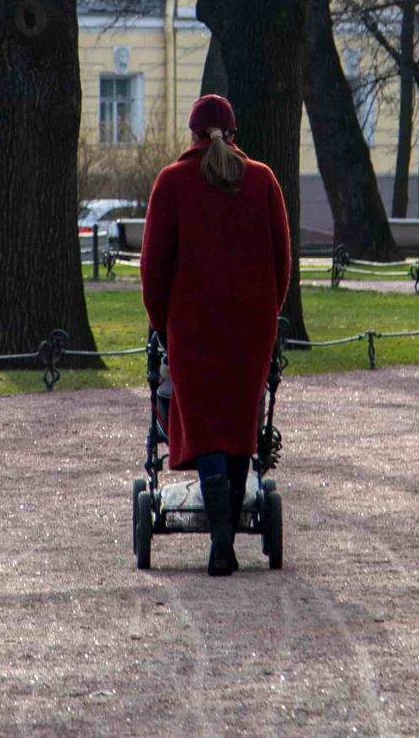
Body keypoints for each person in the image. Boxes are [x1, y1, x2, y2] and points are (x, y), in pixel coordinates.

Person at [139, 93, 292, 575]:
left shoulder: (172, 181)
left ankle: (220, 530)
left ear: (192, 134)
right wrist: (267, 311)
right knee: (240, 421)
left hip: (192, 320)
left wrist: (163, 323)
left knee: (204, 420)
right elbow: (283, 261)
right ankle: (229, 529)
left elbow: (153, 269)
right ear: (233, 131)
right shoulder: (263, 181)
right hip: (252, 320)